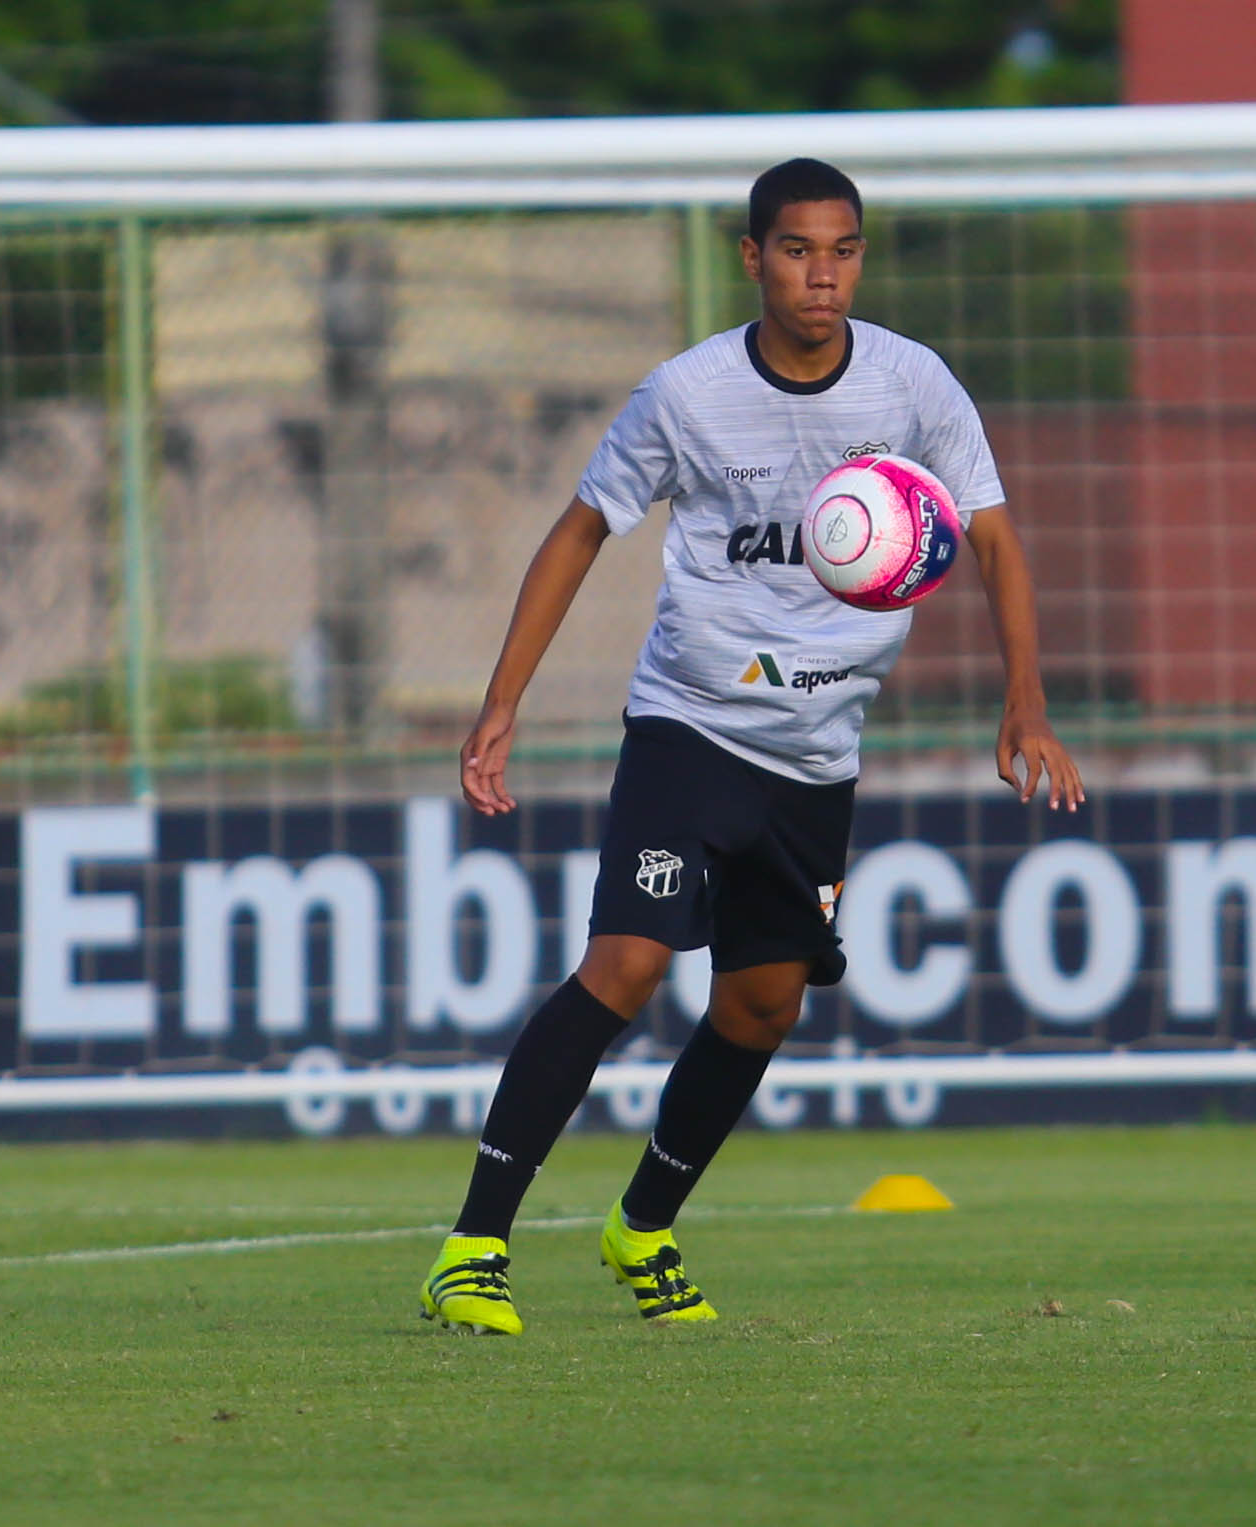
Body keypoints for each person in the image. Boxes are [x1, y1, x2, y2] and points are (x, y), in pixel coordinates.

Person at [417, 157, 1084, 1335]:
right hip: (689, 722)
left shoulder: (913, 386)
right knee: (623, 968)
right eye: (795, 251)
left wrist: (1023, 700)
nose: (820, 276)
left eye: (841, 252)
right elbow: (579, 533)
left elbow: (993, 540)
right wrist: (500, 702)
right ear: (751, 258)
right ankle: (473, 1246)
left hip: (817, 753)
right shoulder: (685, 395)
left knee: (762, 1008)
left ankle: (643, 1229)